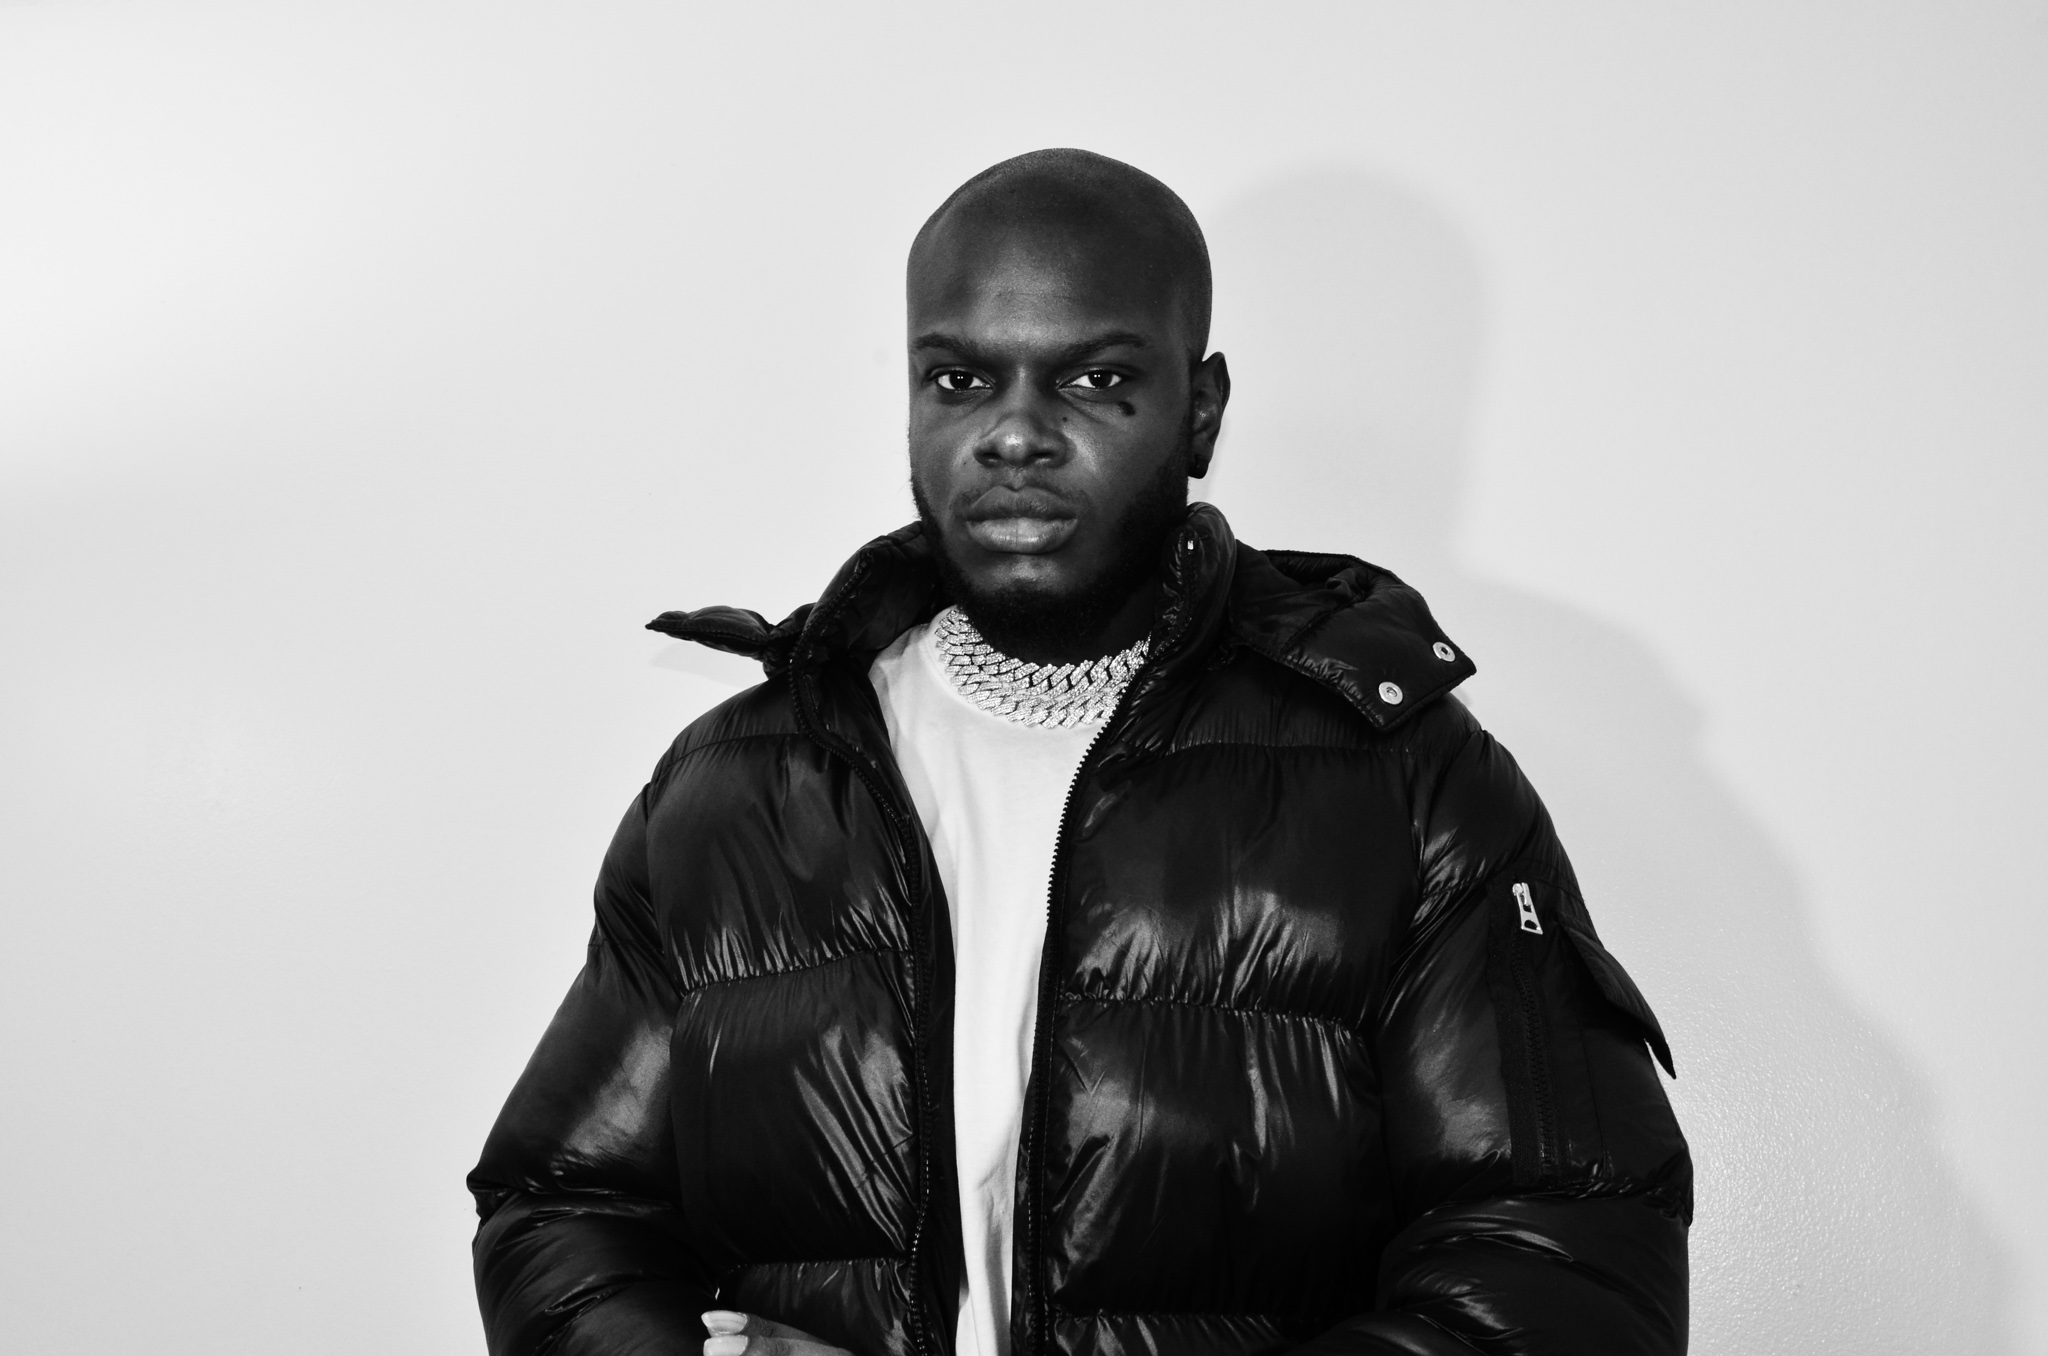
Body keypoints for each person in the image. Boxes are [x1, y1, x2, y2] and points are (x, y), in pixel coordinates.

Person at [468, 148, 1691, 1356]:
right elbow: (560, 1209)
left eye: (1095, 380)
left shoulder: (1403, 779)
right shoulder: (735, 786)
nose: (1013, 435)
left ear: (1199, 412)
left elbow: (1568, 1264)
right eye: (958, 379)